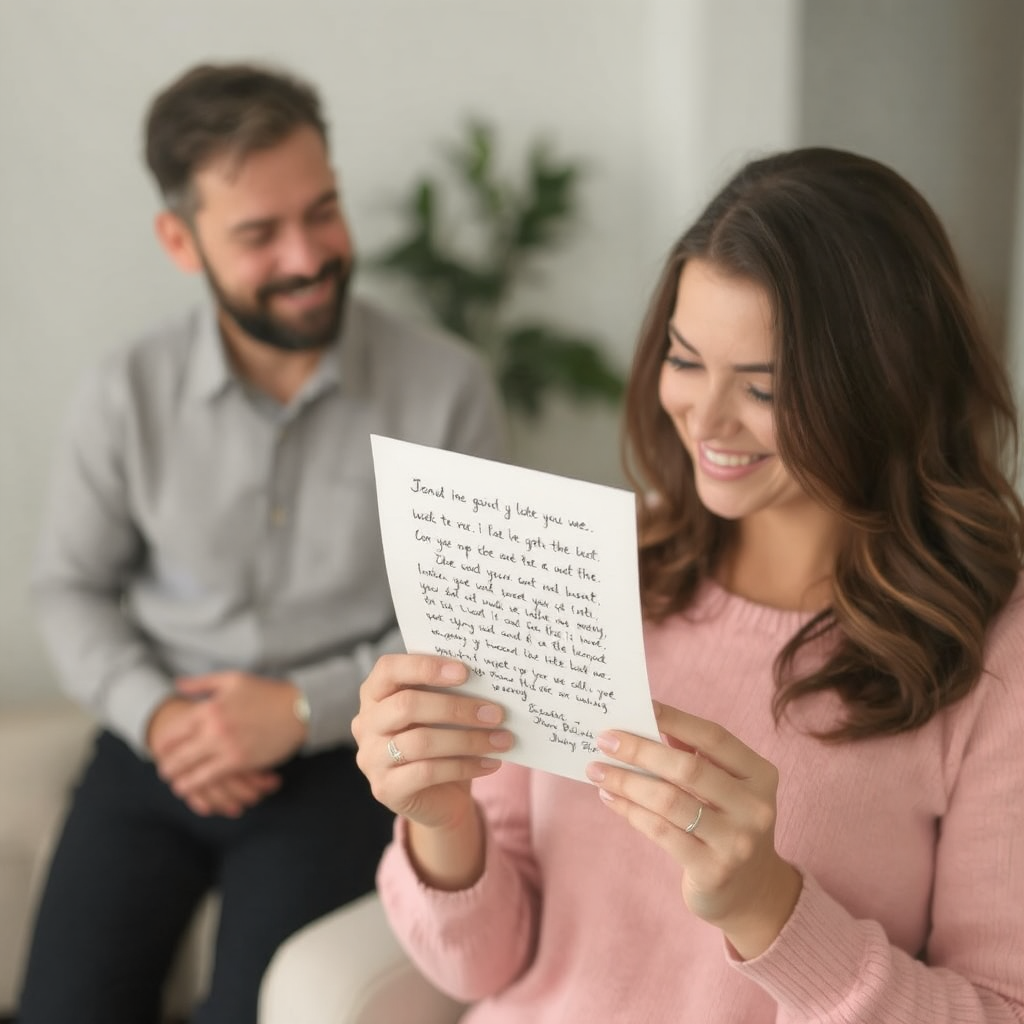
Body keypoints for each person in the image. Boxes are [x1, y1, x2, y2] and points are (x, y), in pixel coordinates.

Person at [352, 147, 1024, 1021]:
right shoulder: (598, 566)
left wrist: (766, 907)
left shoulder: (995, 656)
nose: (703, 418)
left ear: (883, 384)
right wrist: (444, 819)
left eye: (763, 386)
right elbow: (481, 969)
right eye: (684, 358)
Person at [18, 62, 504, 1024]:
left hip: (339, 758)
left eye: (321, 210)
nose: (307, 254)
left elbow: (468, 634)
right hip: (157, 743)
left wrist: (297, 709)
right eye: (258, 232)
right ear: (179, 240)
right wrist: (158, 718)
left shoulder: (448, 390)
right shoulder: (124, 393)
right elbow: (68, 589)